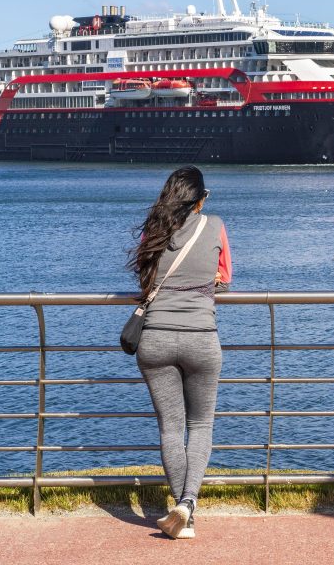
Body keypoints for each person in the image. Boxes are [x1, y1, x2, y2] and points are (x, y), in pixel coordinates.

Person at [127, 166, 231, 540]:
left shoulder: (153, 229)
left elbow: (145, 282)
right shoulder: (215, 225)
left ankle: (181, 512)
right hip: (201, 338)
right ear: (200, 199)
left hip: (154, 340)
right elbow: (225, 279)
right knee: (200, 425)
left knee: (170, 428)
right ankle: (188, 505)